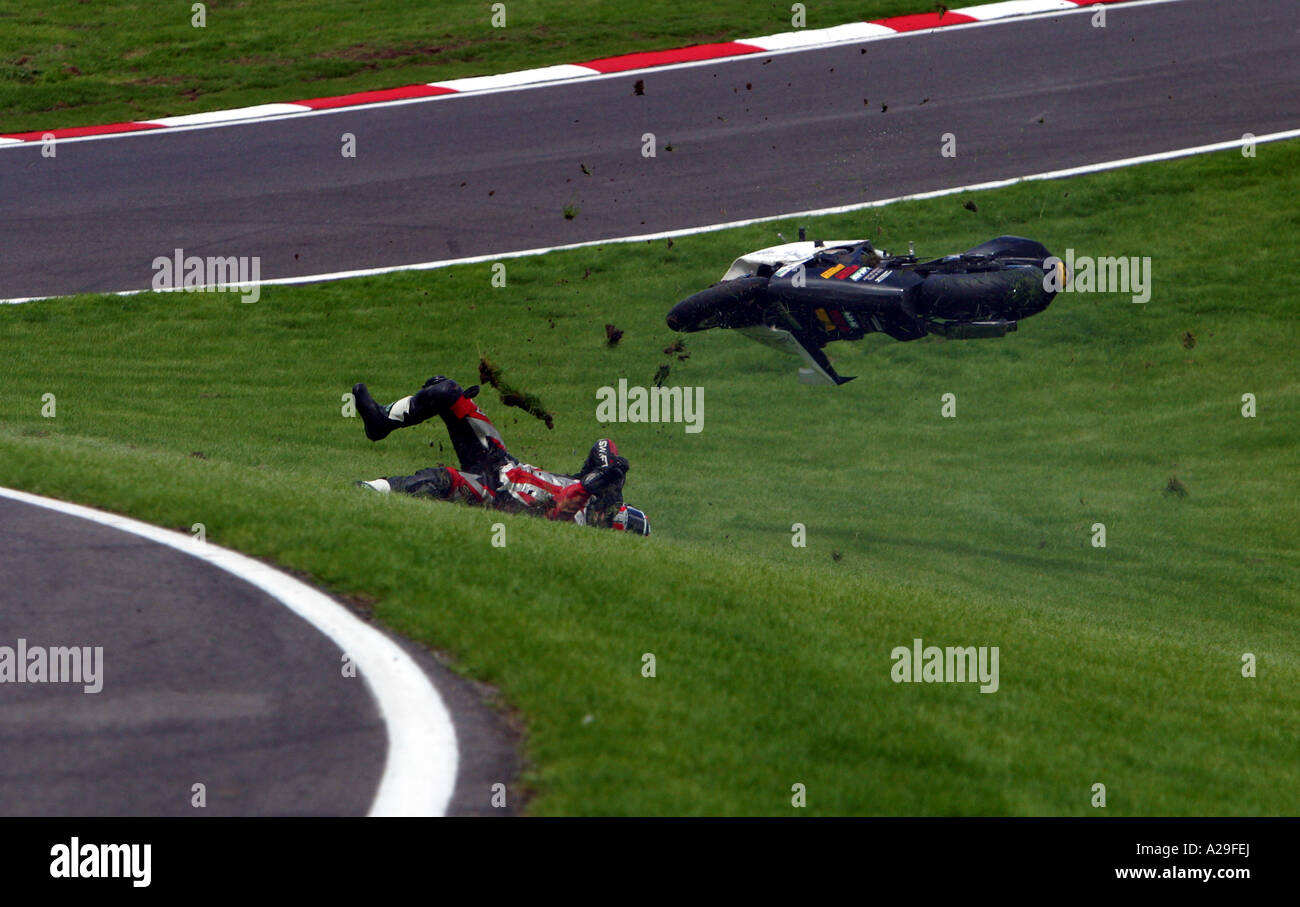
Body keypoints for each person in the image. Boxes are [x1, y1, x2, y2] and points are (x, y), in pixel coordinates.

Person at [350, 375, 650, 535]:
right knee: (446, 391)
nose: (602, 514)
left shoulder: (576, 526)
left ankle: (369, 490)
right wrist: (611, 468)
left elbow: (562, 507)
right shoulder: (597, 489)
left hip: (494, 495)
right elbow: (604, 444)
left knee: (440, 480)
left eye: (607, 521)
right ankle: (381, 420)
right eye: (610, 511)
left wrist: (588, 486)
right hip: (500, 460)